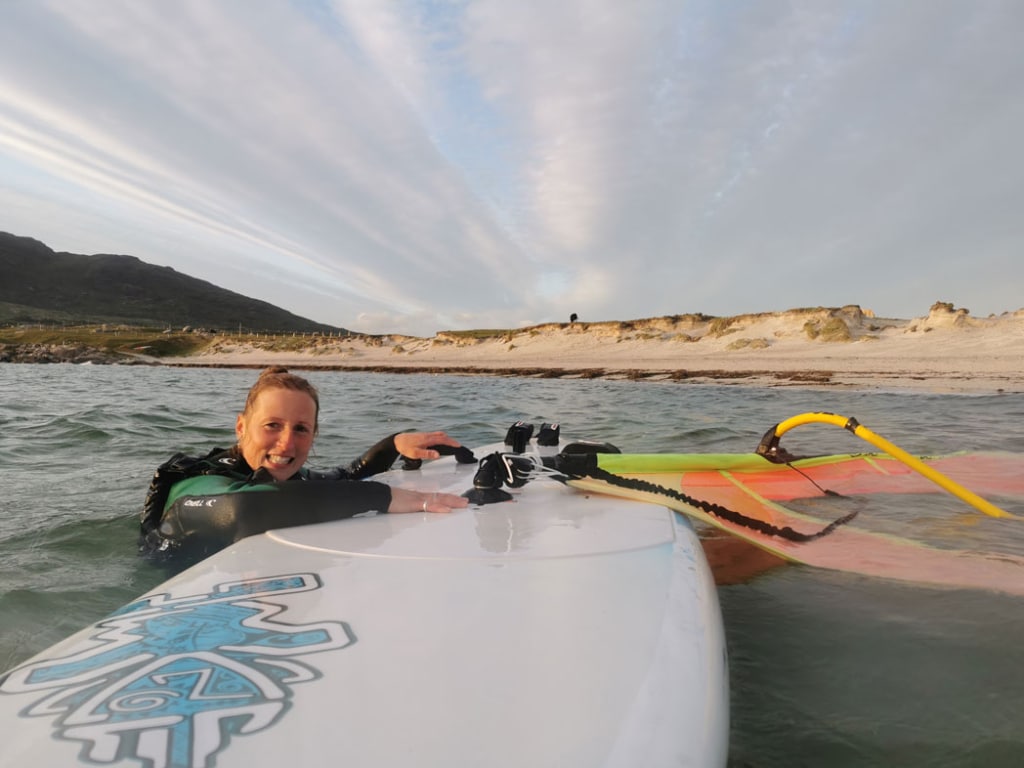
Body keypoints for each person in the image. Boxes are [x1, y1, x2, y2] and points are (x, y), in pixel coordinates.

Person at [140, 366, 469, 564]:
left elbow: (346, 476)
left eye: (301, 429)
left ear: (314, 434)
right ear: (241, 427)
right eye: (272, 425)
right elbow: (243, 510)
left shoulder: (294, 479)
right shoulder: (199, 480)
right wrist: (385, 497)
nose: (286, 444)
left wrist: (394, 443)